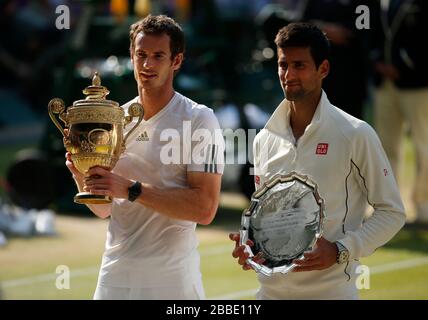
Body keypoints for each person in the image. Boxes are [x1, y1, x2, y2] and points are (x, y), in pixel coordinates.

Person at [230, 22, 405, 300]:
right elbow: (271, 217)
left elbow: (392, 213)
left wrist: (340, 250)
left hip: (332, 294)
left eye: (299, 65)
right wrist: (251, 245)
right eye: (283, 64)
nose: (288, 75)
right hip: (268, 294)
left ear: (323, 69)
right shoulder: (264, 139)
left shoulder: (355, 134)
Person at [65, 14, 224, 300]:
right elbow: (107, 210)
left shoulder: (199, 120)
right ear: (131, 56)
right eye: (141, 55)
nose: (147, 64)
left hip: (172, 282)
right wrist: (83, 179)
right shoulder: (113, 121)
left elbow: (205, 208)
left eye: (158, 56)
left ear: (176, 61)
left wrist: (130, 189)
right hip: (114, 277)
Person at [371, 0, 428, 225]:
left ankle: (423, 206)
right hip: (383, 83)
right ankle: (389, 208)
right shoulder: (375, 3)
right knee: (384, 147)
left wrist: (404, 66)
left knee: (422, 144)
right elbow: (368, 33)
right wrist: (376, 61)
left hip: (417, 83)